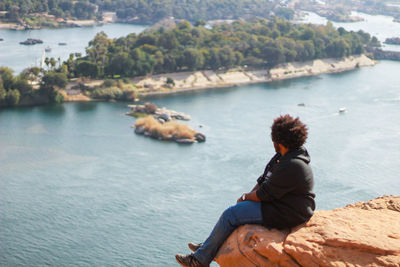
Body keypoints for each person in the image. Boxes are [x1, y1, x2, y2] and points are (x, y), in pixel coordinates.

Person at [175, 114, 316, 267]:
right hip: (280, 204)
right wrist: (247, 198)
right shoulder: (282, 157)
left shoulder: (292, 164)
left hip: (289, 212)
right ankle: (207, 247)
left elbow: (264, 194)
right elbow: (263, 180)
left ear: (279, 140)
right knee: (237, 211)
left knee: (231, 215)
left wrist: (244, 197)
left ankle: (199, 261)